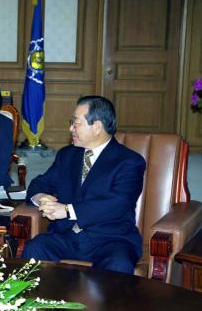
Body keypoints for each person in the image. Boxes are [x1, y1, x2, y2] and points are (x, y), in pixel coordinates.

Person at [22, 95, 146, 274]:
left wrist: (66, 210)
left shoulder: (129, 162)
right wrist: (41, 197)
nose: (70, 128)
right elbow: (40, 183)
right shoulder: (67, 155)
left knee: (118, 265)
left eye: (76, 123)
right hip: (67, 236)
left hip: (110, 240)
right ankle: (45, 302)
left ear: (96, 127)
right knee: (35, 248)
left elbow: (117, 203)